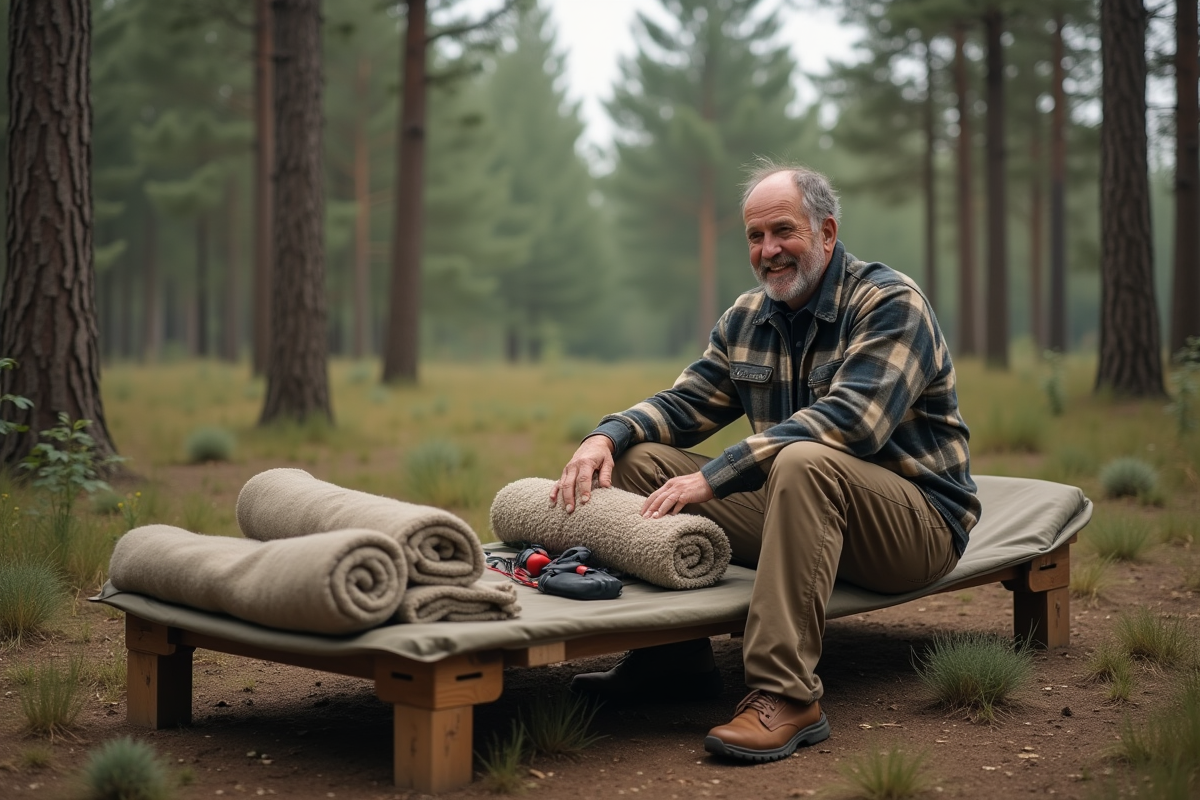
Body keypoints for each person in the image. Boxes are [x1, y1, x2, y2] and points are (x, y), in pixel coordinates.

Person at [548, 161, 981, 764]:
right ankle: (672, 659)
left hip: (916, 526)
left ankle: (788, 695)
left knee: (805, 461)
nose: (768, 250)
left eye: (784, 231)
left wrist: (715, 475)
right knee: (641, 460)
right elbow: (685, 404)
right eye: (755, 236)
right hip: (804, 504)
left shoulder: (890, 303)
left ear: (826, 232)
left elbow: (853, 422)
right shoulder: (746, 317)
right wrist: (608, 435)